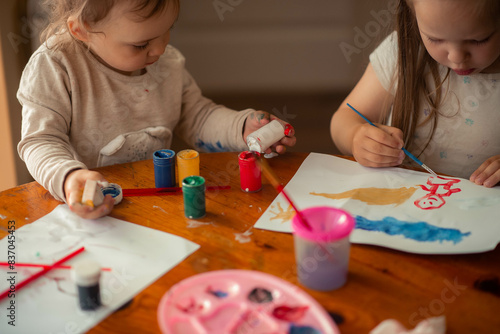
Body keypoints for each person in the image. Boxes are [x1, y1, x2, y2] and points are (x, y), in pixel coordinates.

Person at [17, 0, 296, 219]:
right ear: (82, 30)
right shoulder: (55, 68)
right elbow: (41, 141)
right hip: (89, 212)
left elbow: (197, 117)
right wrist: (68, 177)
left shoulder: (166, 64)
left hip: (159, 202)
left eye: (167, 30)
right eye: (142, 44)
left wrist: (242, 127)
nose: (161, 49)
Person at [330, 0, 500, 187]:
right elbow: (344, 118)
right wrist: (356, 136)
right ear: (413, 14)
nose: (456, 57)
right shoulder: (402, 53)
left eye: (478, 40)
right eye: (435, 39)